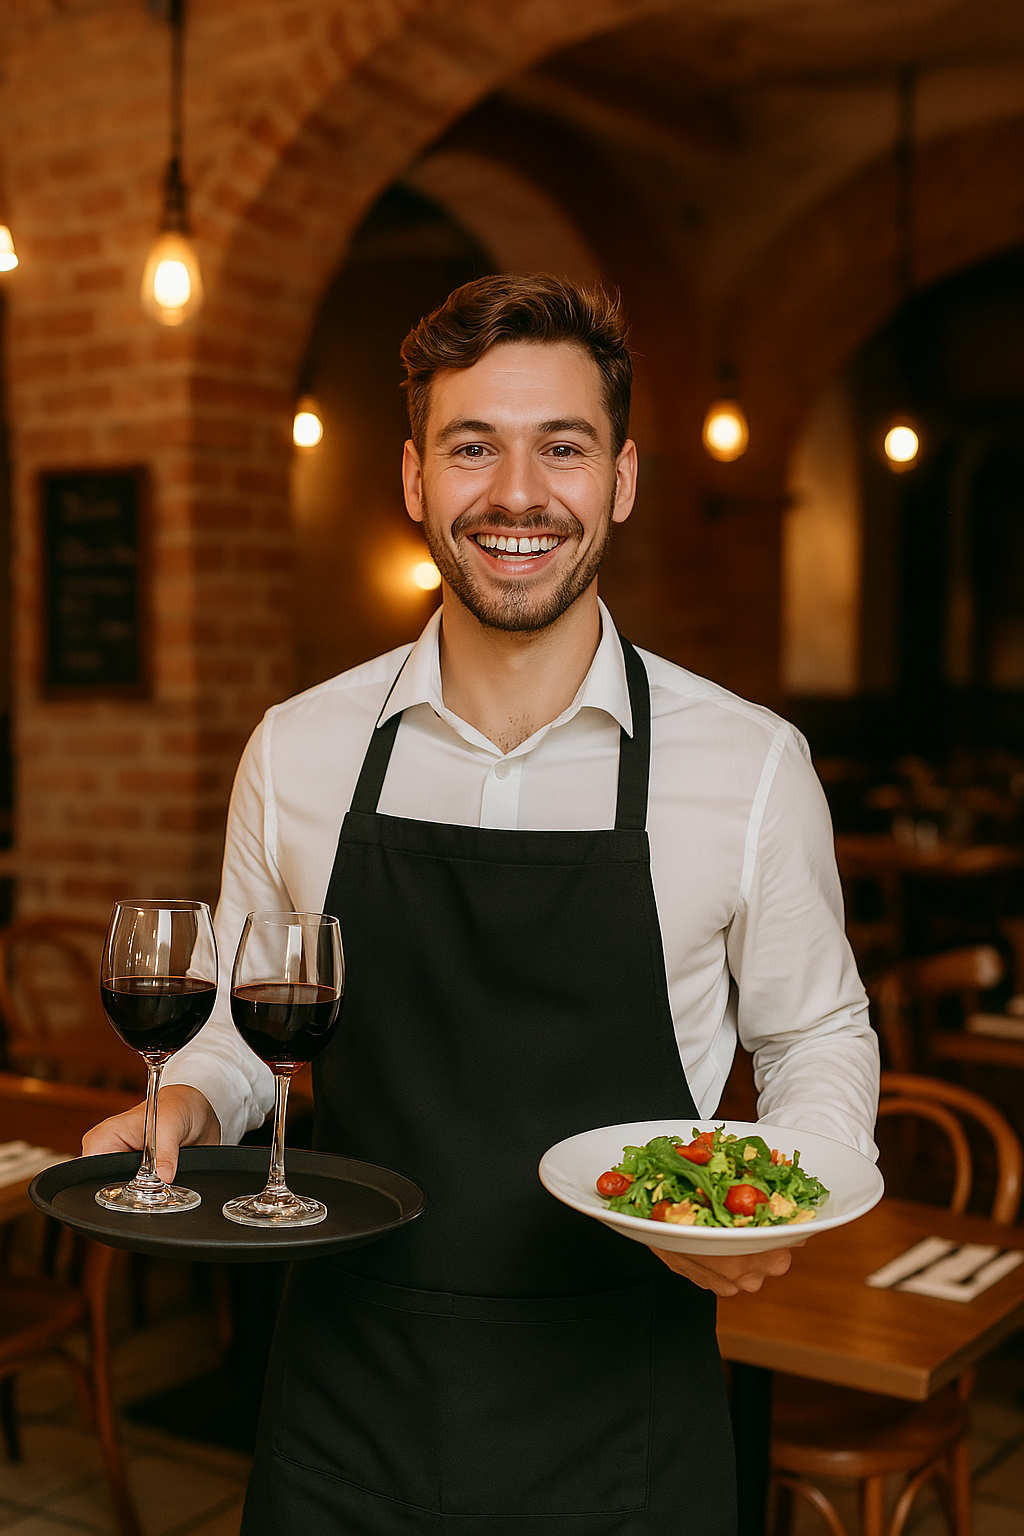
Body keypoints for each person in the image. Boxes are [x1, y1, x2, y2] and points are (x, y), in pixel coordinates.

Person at [85, 273, 879, 1535]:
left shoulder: (750, 764)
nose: (517, 494)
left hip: (625, 1415)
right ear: (413, 481)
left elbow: (814, 1034)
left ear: (619, 479)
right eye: (473, 448)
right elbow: (249, 1023)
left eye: (562, 447)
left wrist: (792, 1180)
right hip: (349, 1393)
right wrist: (180, 1101)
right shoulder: (298, 749)